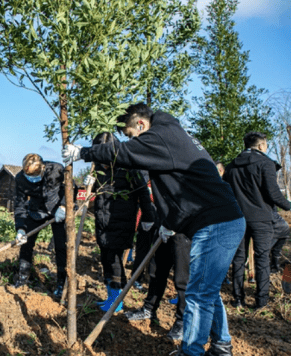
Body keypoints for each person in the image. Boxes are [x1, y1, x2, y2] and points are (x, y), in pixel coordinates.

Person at [62, 103, 245, 356]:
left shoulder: (161, 135)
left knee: (198, 293)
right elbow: (180, 189)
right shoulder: (171, 135)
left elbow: (124, 153)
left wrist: (83, 152)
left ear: (140, 124)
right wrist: (169, 224)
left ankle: (191, 352)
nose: (130, 139)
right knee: (207, 289)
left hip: (215, 222)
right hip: (221, 219)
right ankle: (222, 345)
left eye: (128, 134)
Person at [223, 132, 291, 309]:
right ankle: (261, 302)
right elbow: (273, 193)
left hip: (237, 218)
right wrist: (289, 206)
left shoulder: (231, 167)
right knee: (262, 259)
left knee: (238, 259)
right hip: (261, 219)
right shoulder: (265, 163)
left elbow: (225, 193)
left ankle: (238, 299)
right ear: (261, 146)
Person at [89, 132, 155, 312]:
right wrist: (90, 185)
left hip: (121, 220)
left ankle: (117, 301)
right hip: (102, 221)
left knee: (114, 260)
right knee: (105, 258)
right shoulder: (98, 167)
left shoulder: (128, 166)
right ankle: (111, 296)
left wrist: (149, 217)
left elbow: (143, 191)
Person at [12, 153, 70, 298]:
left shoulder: (56, 170)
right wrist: (20, 228)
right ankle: (22, 279)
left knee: (61, 247)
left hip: (57, 210)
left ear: (43, 168)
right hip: (36, 211)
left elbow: (70, 188)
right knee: (26, 244)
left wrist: (63, 207)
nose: (33, 180)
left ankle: (61, 284)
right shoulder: (20, 179)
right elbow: (20, 204)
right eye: (29, 176)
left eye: (36, 176)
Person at [125, 231, 191, 341]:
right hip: (164, 228)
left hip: (184, 231)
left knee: (182, 279)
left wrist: (173, 221)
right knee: (156, 272)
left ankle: (182, 321)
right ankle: (149, 309)